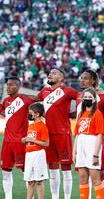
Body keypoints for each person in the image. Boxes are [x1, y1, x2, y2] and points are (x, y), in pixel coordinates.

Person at [36, 68, 78, 199]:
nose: (50, 74)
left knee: (65, 168)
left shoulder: (67, 91)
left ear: (61, 79)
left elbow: (81, 97)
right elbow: (33, 100)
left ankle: (66, 197)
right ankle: (55, 197)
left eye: (53, 73)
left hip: (62, 134)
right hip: (48, 135)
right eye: (49, 73)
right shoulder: (44, 91)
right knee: (52, 168)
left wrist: (74, 113)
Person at [77, 70, 104, 199]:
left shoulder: (102, 98)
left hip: (95, 141)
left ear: (93, 81)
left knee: (99, 174)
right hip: (81, 140)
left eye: (85, 78)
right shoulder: (79, 96)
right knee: (83, 175)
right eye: (81, 78)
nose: (81, 80)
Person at [1, 77, 34, 199]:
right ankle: (8, 197)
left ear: (17, 86)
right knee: (5, 171)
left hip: (21, 141)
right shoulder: (5, 101)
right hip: (7, 142)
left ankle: (31, 197)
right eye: (7, 85)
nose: (8, 87)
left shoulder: (26, 100)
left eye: (11, 85)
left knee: (27, 172)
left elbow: (39, 113)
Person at [73, 87, 104, 199]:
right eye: (85, 97)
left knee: (95, 177)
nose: (87, 99)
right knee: (82, 176)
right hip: (81, 145)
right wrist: (74, 152)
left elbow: (99, 135)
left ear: (94, 100)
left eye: (89, 97)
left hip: (92, 145)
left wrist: (96, 154)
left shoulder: (97, 114)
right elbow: (77, 134)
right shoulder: (81, 114)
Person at [21, 103, 49, 199]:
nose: (29, 114)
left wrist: (32, 140)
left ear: (37, 114)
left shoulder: (42, 126)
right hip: (29, 155)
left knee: (39, 181)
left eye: (30, 113)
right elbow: (31, 140)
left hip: (38, 155)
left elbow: (46, 144)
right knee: (30, 181)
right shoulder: (31, 125)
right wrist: (25, 140)